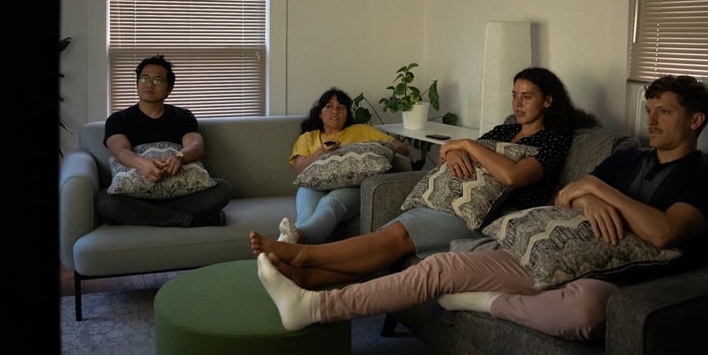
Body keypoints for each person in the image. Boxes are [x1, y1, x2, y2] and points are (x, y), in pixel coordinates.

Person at [255, 74, 708, 341]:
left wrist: (600, 192)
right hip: (548, 244)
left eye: (665, 112)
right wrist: (587, 194)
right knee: (438, 267)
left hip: (604, 270)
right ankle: (312, 300)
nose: (651, 121)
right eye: (649, 110)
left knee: (587, 310)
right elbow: (565, 197)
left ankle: (483, 302)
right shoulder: (630, 157)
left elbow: (662, 233)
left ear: (696, 120)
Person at [251, 67, 598, 289]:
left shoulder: (553, 139)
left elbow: (513, 175)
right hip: (450, 202)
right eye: (514, 95)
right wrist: (458, 150)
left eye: (527, 97)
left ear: (548, 101)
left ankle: (302, 256)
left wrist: (466, 145)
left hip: (488, 216)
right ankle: (306, 279)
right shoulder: (507, 128)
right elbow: (449, 151)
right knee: (390, 242)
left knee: (396, 237)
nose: (518, 103)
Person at [98, 55, 231, 227]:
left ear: (169, 89)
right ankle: (188, 220)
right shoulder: (118, 119)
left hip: (180, 195)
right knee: (104, 200)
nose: (148, 84)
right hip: (134, 195)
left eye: (157, 80)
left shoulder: (182, 116)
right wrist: (142, 164)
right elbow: (120, 150)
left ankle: (144, 216)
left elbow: (196, 146)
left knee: (223, 189)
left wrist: (178, 156)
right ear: (137, 83)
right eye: (144, 78)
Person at [277, 87, 410, 245]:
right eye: (329, 106)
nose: (335, 111)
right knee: (306, 215)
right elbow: (300, 169)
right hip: (313, 186)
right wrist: (321, 151)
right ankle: (294, 243)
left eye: (341, 108)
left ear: (347, 114)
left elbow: (403, 149)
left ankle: (289, 244)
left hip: (350, 186)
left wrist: (375, 150)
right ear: (320, 113)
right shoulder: (308, 137)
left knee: (330, 203)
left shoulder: (362, 131)